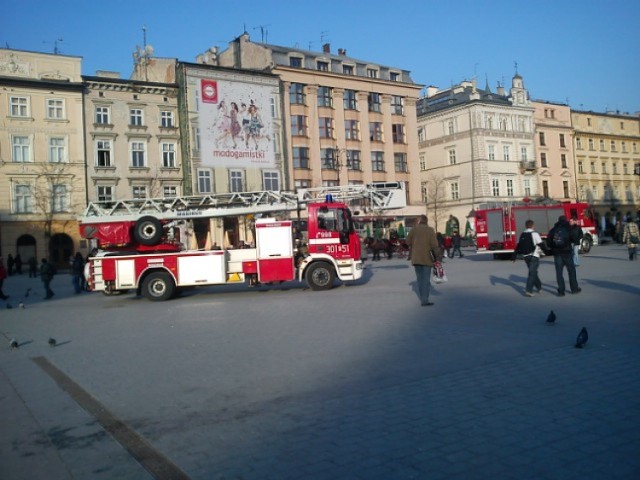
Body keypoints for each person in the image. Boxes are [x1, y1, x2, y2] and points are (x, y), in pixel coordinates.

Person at [406, 214, 442, 306]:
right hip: (427, 258)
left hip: (416, 258)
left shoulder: (414, 230)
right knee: (426, 280)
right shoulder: (430, 230)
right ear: (426, 221)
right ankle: (424, 300)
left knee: (420, 279)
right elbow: (435, 245)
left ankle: (423, 298)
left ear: (420, 221)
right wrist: (438, 257)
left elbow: (407, 242)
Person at [547, 215, 580, 297]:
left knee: (559, 272)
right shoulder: (568, 228)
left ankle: (561, 291)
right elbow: (574, 239)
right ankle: (574, 289)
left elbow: (548, 242)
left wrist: (553, 248)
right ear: (566, 220)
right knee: (571, 271)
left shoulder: (553, 229)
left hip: (557, 253)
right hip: (567, 252)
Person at [513, 219, 545, 297]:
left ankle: (539, 287)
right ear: (533, 226)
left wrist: (514, 256)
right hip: (534, 255)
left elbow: (518, 246)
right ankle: (528, 290)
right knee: (532, 273)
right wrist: (546, 250)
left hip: (526, 256)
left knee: (533, 272)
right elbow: (540, 244)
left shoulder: (522, 234)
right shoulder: (535, 233)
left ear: (526, 226)